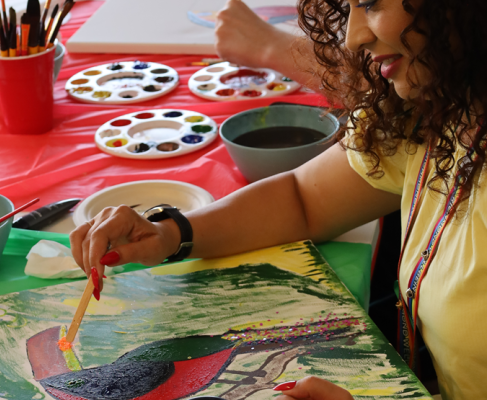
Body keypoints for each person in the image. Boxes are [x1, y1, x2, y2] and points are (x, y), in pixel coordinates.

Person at [70, 0, 487, 398]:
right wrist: (168, 232)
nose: (352, 37)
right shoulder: (443, 110)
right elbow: (304, 200)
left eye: (373, 3)